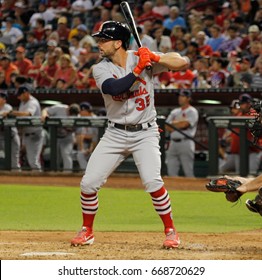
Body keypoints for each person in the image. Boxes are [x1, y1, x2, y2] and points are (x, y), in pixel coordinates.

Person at [70, 20, 190, 249]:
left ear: (118, 43)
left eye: (104, 40)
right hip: (115, 133)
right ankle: (87, 230)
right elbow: (113, 89)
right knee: (89, 183)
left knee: (153, 182)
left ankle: (170, 230)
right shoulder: (101, 67)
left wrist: (154, 58)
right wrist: (138, 70)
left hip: (145, 132)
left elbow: (181, 62)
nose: (99, 43)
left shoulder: (142, 57)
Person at [6, 84, 43, 171]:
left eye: (19, 95)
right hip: (26, 134)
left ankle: (41, 180)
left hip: (35, 134)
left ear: (26, 93)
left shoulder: (32, 102)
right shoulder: (23, 102)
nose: (18, 97)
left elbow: (28, 114)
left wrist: (11, 113)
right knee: (29, 160)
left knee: (33, 161)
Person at [165, 90, 199, 177]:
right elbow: (166, 126)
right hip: (173, 143)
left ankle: (192, 189)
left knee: (188, 172)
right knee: (171, 172)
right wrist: (179, 123)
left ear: (189, 98)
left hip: (186, 142)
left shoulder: (192, 111)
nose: (180, 98)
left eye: (183, 96)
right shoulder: (174, 111)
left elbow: (185, 125)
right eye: (179, 96)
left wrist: (173, 124)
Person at [42, 103, 80, 172]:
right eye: (69, 113)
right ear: (68, 108)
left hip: (67, 137)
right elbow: (46, 110)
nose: (69, 115)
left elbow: (77, 130)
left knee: (66, 154)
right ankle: (55, 173)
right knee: (55, 156)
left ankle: (67, 174)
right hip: (55, 137)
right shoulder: (59, 108)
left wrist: (67, 128)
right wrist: (44, 115)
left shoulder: (77, 116)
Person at [0, 90, 21, 170]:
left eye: (1, 97)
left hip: (11, 137)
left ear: (4, 100)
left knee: (14, 161)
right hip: (1, 136)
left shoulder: (8, 107)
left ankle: (18, 179)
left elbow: (6, 114)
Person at [75, 102, 98, 170]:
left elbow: (95, 138)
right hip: (84, 142)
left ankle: (92, 172)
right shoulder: (79, 118)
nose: (80, 113)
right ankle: (85, 172)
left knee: (94, 156)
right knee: (80, 155)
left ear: (85, 110)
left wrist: (90, 149)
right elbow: (79, 135)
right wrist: (82, 149)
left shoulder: (96, 119)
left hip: (95, 144)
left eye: (81, 111)